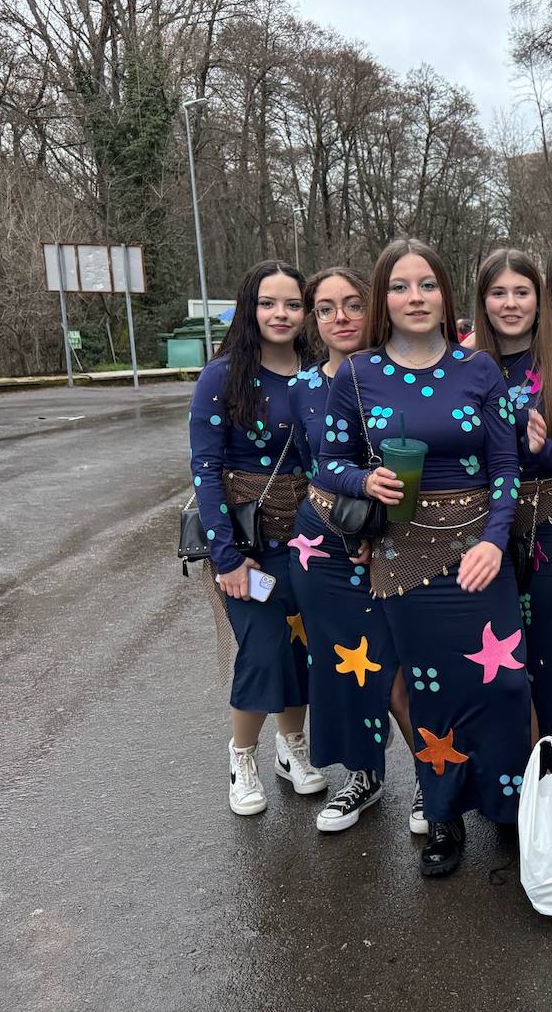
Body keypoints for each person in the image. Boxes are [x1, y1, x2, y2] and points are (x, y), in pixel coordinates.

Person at [317, 238, 528, 878]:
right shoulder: (357, 374)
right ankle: (443, 816)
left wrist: (495, 538)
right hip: (402, 556)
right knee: (430, 693)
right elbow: (327, 462)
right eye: (402, 287)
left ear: (446, 294)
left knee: (503, 686)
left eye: (427, 285)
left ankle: (509, 811)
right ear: (385, 298)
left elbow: (506, 466)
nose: (416, 298)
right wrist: (361, 483)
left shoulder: (479, 370)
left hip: (478, 549)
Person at [187, 259, 327, 815]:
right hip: (246, 546)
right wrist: (228, 558)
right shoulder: (222, 377)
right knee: (265, 648)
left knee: (300, 647)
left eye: (292, 303)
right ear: (250, 308)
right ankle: (241, 754)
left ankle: (291, 747)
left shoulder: (319, 373)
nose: (281, 314)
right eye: (269, 303)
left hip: (311, 542)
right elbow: (205, 470)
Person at [287, 267, 419, 833]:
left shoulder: (394, 376)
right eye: (325, 308)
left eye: (351, 304)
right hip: (320, 543)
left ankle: (431, 773)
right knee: (342, 666)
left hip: (389, 539)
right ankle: (362, 776)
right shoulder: (302, 389)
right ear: (314, 321)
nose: (340, 317)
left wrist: (377, 532)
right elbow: (299, 468)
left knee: (396, 665)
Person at [474, 249, 552, 754]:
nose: (511, 303)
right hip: (478, 530)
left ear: (540, 300)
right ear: (482, 302)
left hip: (549, 520)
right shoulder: (462, 366)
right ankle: (526, 785)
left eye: (522, 292)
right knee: (497, 660)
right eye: (498, 293)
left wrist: (544, 449)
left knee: (548, 657)